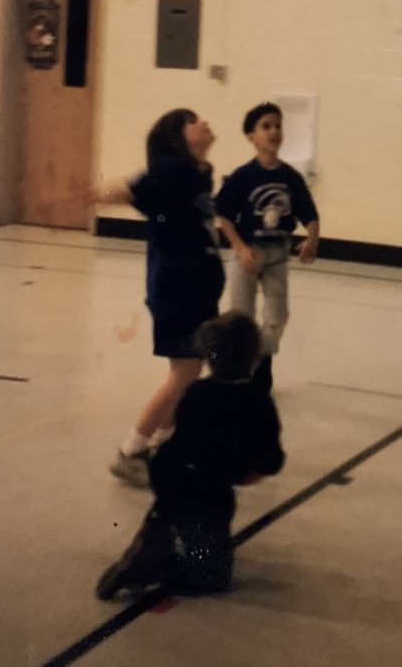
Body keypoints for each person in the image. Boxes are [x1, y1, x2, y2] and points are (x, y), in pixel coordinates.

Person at [95, 310, 285, 600]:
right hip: (208, 494)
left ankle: (152, 541)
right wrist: (250, 473)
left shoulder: (196, 391)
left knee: (169, 510)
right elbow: (269, 458)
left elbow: (181, 436)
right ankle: (169, 564)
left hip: (169, 476)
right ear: (255, 357)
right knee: (211, 572)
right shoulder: (257, 403)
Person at [90, 108, 226, 487]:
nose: (204, 122)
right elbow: (132, 188)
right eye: (193, 120)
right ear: (178, 136)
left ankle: (167, 445)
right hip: (177, 289)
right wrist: (94, 195)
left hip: (196, 289)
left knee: (190, 371)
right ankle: (130, 451)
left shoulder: (202, 174)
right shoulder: (173, 171)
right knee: (184, 373)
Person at [215, 102, 320, 392]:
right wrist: (240, 249)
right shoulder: (242, 176)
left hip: (276, 256)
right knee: (241, 317)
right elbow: (224, 216)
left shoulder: (289, 177)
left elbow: (309, 213)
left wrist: (312, 238)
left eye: (278, 125)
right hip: (247, 253)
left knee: (277, 316)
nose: (274, 131)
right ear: (252, 136)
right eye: (266, 126)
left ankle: (261, 361)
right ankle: (236, 373)